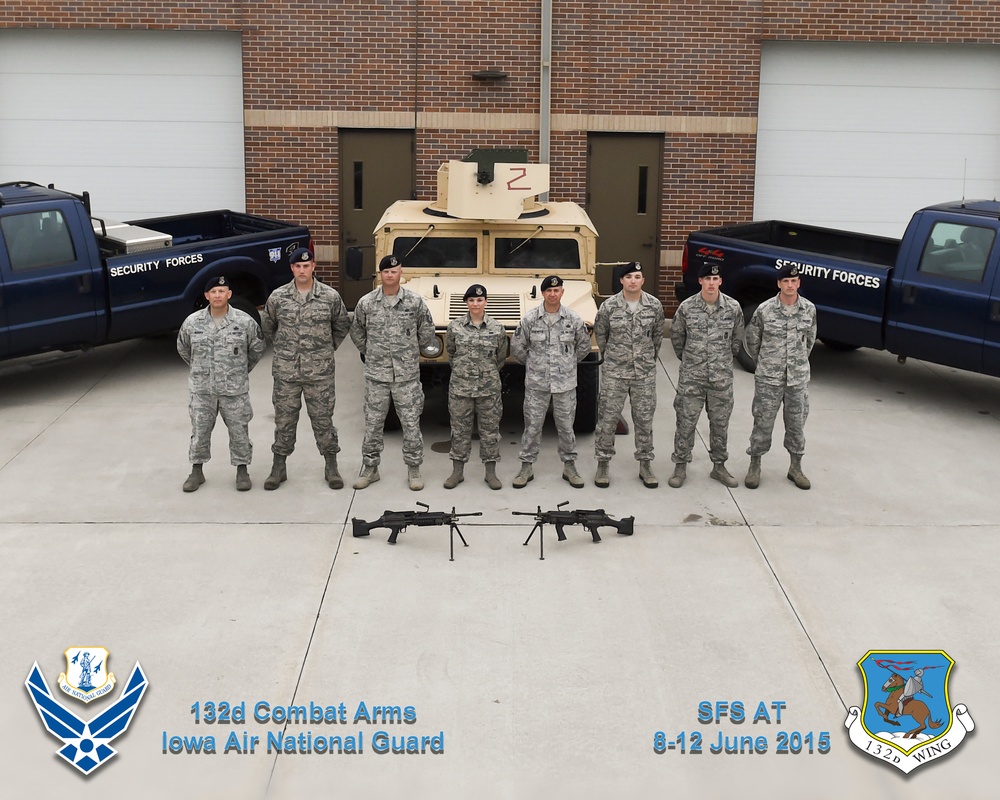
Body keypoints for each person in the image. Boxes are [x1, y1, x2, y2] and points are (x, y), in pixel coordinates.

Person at [261, 247, 351, 490]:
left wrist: (324, 350)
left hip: (319, 374)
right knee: (284, 421)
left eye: (306, 265)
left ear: (313, 267)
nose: (302, 270)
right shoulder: (278, 297)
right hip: (286, 373)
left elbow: (341, 325)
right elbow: (268, 327)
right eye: (298, 266)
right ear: (292, 268)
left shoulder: (330, 297)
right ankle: (278, 467)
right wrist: (285, 351)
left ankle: (331, 465)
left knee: (323, 420)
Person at [350, 254, 436, 491]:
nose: (390, 275)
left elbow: (427, 332)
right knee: (373, 424)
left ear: (401, 273)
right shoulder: (366, 303)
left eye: (394, 271)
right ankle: (370, 468)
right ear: (381, 274)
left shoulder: (414, 302)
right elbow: (356, 331)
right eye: (386, 271)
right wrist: (371, 352)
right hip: (377, 376)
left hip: (406, 376)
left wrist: (409, 353)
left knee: (410, 424)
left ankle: (414, 468)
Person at [176, 276, 264, 492]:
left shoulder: (244, 322)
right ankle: (197, 470)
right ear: (207, 296)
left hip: (234, 390)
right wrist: (202, 371)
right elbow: (183, 348)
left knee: (239, 432)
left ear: (229, 294)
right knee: (200, 432)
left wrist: (238, 372)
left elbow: (256, 349)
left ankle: (242, 470)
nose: (217, 295)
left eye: (221, 291)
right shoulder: (192, 322)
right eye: (213, 292)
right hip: (202, 390)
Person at [510, 275, 591, 488]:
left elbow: (583, 347)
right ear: (543, 293)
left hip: (565, 384)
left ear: (562, 292)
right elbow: (517, 348)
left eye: (557, 290)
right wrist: (535, 365)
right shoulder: (530, 319)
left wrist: (567, 364)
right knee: (533, 426)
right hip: (537, 384)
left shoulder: (573, 319)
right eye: (549, 291)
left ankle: (569, 466)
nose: (553, 294)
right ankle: (526, 466)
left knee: (566, 427)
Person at [668, 263, 744, 488]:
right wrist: (692, 361)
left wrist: (720, 362)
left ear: (721, 281)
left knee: (720, 424)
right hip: (692, 378)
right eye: (707, 279)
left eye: (716, 279)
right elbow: (677, 338)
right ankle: (680, 466)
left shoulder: (733, 307)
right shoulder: (687, 307)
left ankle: (719, 467)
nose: (711, 283)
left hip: (721, 379)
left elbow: (736, 341)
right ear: (700, 281)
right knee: (685, 422)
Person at [744, 263, 817, 489]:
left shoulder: (809, 309)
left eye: (794, 281)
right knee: (762, 423)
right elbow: (753, 341)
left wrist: (796, 364)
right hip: (769, 379)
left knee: (796, 424)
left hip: (797, 379)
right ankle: (755, 465)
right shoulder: (765, 310)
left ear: (799, 283)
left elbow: (810, 341)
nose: (790, 285)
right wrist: (767, 363)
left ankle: (795, 467)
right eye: (786, 281)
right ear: (778, 283)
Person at [592, 262, 665, 488]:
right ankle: (603, 464)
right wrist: (615, 357)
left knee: (644, 420)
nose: (633, 280)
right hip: (615, 372)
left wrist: (645, 360)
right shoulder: (609, 307)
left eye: (637, 276)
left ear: (643, 280)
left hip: (643, 373)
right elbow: (601, 336)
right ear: (621, 281)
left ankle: (645, 464)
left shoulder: (654, 306)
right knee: (607, 420)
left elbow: (657, 338)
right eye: (629, 276)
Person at [444, 284, 509, 490]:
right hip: (460, 389)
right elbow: (451, 354)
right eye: (471, 300)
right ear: (467, 303)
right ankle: (457, 472)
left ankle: (490, 473)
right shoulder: (455, 327)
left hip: (488, 389)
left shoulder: (497, 328)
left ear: (485, 302)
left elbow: (500, 358)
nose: (475, 304)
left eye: (479, 300)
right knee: (459, 430)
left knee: (490, 431)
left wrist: (486, 374)